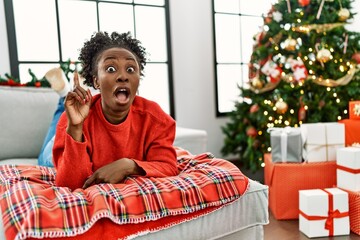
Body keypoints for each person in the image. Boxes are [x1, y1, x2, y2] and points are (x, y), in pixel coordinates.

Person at [52, 31, 178, 191]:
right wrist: (76, 128)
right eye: (111, 69)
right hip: (62, 141)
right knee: (47, 157)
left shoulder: (155, 119)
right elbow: (69, 185)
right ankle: (62, 97)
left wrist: (128, 165)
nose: (123, 76)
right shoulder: (70, 122)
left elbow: (168, 167)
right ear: (96, 81)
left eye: (131, 69)